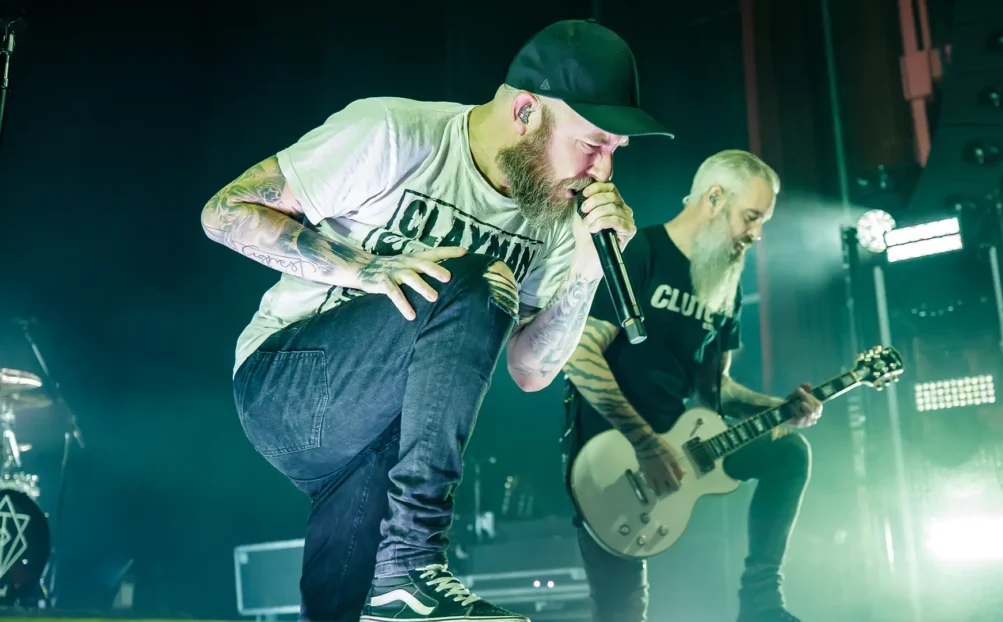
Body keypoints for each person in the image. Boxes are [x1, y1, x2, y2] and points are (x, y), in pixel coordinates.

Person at [201, 19, 673, 622]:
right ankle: (413, 562)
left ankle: (393, 586)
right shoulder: (396, 133)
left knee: (349, 611)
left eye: (614, 152)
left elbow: (531, 371)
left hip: (380, 436)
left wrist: (586, 266)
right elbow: (223, 212)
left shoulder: (557, 221)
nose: (602, 171)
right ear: (526, 110)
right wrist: (368, 268)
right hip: (286, 384)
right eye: (592, 144)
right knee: (474, 278)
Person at [562, 150, 823, 622]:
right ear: (714, 198)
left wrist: (781, 406)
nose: (756, 234)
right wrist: (644, 444)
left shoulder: (725, 286)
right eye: (751, 217)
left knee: (789, 453)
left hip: (684, 451)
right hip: (612, 457)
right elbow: (578, 356)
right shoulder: (641, 252)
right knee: (622, 614)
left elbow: (715, 389)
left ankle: (761, 602)